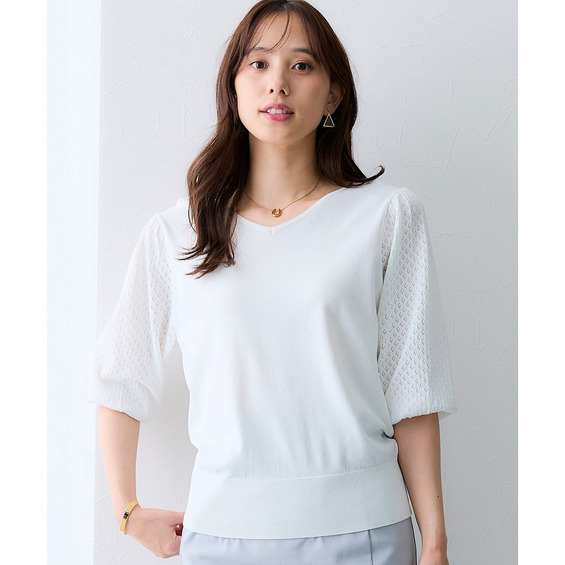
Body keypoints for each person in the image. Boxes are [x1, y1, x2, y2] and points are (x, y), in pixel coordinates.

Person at [89, 1, 457, 563]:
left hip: (367, 534)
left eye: (301, 65)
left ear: (333, 95)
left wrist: (435, 542)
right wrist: (126, 511)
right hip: (221, 539)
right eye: (258, 63)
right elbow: (120, 377)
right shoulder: (176, 233)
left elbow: (413, 391)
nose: (277, 83)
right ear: (233, 85)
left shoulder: (387, 218)